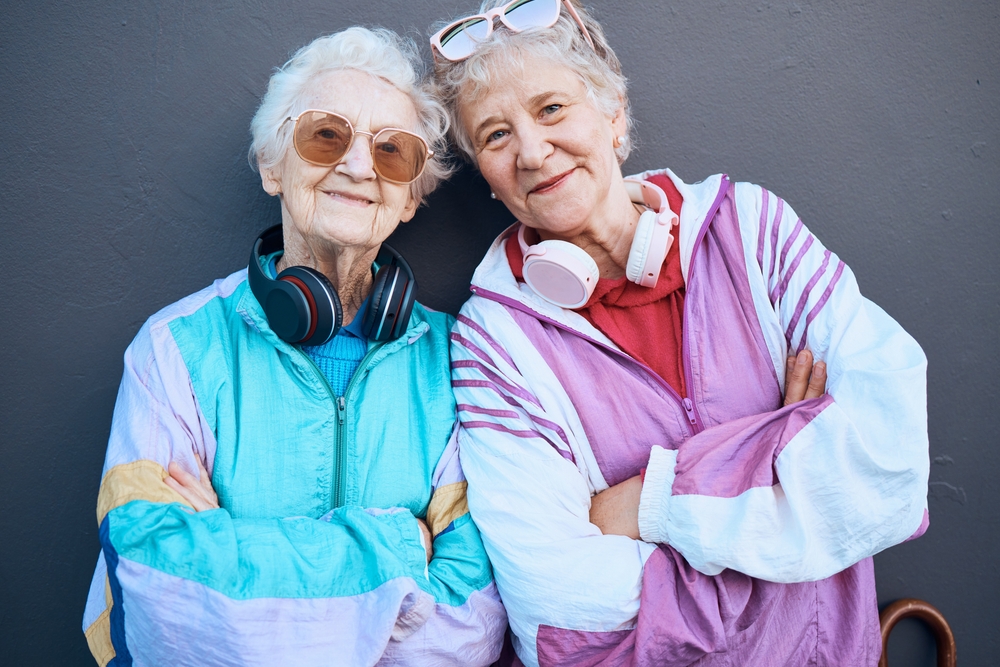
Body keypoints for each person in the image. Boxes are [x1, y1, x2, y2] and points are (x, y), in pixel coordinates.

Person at [430, 1, 929, 665]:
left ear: (614, 115)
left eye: (551, 109)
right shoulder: (492, 341)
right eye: (494, 135)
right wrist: (778, 462)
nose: (530, 150)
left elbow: (887, 462)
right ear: (487, 179)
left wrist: (648, 503)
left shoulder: (754, 230)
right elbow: (557, 611)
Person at [82, 27, 505, 666]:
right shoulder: (173, 349)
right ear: (273, 166)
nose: (360, 166)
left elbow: (470, 630)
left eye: (393, 152)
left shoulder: (462, 361)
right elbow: (153, 599)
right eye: (325, 135)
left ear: (412, 199)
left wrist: (230, 553)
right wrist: (396, 548)